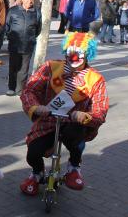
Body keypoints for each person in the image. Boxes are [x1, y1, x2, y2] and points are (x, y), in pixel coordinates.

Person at [19, 32, 108, 196]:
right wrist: (36, 107)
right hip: (48, 121)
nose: (73, 57)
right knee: (33, 152)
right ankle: (37, 173)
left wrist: (85, 116)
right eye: (70, 52)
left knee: (75, 138)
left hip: (74, 123)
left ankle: (74, 167)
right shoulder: (51, 67)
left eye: (78, 53)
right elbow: (29, 90)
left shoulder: (95, 79)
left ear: (87, 54)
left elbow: (100, 109)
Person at [4, 0, 41, 96]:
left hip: (28, 44)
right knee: (13, 67)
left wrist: (31, 37)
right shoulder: (13, 10)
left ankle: (20, 90)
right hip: (15, 44)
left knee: (24, 69)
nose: (30, 1)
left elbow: (38, 29)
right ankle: (11, 87)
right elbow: (7, 26)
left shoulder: (37, 12)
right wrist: (11, 36)